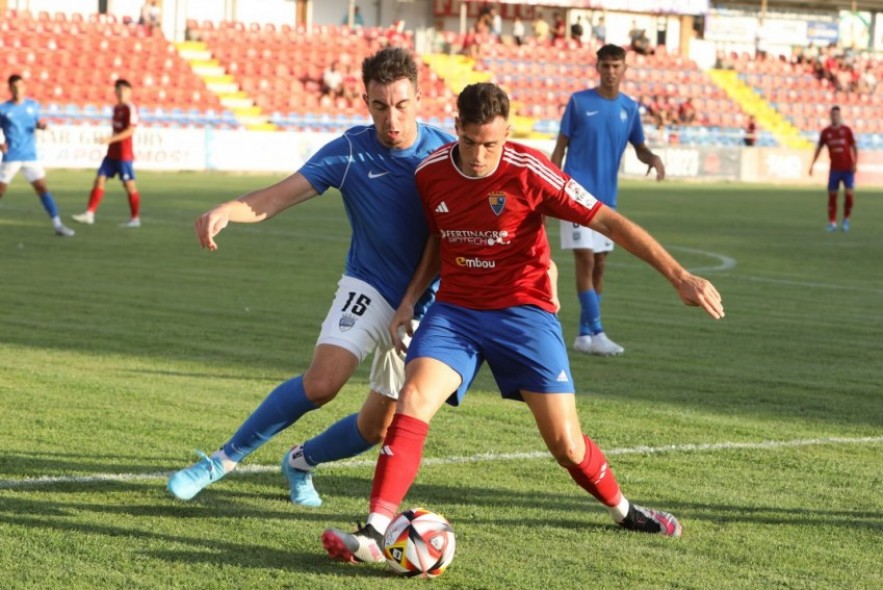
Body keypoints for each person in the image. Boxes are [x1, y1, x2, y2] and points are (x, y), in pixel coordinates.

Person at [321, 82, 724, 564]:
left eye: (491, 144)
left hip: (524, 315)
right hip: (456, 313)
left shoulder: (530, 169)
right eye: (470, 142)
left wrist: (679, 276)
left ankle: (625, 510)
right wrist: (409, 300)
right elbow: (437, 238)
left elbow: (608, 222)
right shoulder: (431, 173)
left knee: (567, 444)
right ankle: (375, 530)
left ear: (507, 134)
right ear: (457, 129)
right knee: (412, 397)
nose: (478, 155)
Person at [165, 47, 454, 507]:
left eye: (401, 105)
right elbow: (277, 197)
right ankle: (219, 461)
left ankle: (300, 462)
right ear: (365, 102)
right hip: (370, 286)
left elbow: (456, 234)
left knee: (377, 428)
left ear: (419, 97)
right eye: (380, 107)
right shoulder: (351, 151)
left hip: (426, 304)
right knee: (322, 383)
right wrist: (228, 209)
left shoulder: (446, 155)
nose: (391, 119)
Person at [551, 44, 665, 356]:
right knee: (585, 259)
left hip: (607, 200)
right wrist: (551, 186)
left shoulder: (630, 108)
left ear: (625, 68)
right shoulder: (578, 102)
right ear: (598, 67)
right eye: (606, 66)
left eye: (616, 66)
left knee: (600, 264)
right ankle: (598, 331)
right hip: (575, 195)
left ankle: (584, 335)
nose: (611, 71)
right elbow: (560, 148)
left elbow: (639, 146)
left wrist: (652, 157)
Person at [0, 75, 75, 237]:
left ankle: (58, 225)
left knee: (42, 188)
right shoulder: (3, 109)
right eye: (14, 86)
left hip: (30, 155)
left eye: (20, 86)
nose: (17, 89)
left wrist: (41, 126)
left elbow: (35, 122)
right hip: (11, 156)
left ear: (24, 87)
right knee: (1, 190)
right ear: (10, 88)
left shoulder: (32, 106)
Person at [71, 79, 142, 228]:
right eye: (119, 89)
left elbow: (131, 130)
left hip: (124, 154)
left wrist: (110, 139)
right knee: (99, 179)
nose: (122, 92)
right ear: (115, 92)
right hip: (112, 153)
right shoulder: (116, 108)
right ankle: (89, 214)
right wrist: (111, 141)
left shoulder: (130, 108)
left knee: (129, 185)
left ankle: (135, 219)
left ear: (130, 92)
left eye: (125, 89)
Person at [809, 105, 857, 232]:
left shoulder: (847, 130)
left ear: (840, 116)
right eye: (833, 115)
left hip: (847, 169)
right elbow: (819, 149)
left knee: (849, 194)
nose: (835, 117)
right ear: (830, 116)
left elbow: (854, 147)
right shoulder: (826, 133)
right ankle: (832, 222)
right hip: (834, 169)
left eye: (837, 115)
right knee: (832, 196)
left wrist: (855, 163)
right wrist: (812, 164)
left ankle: (846, 220)